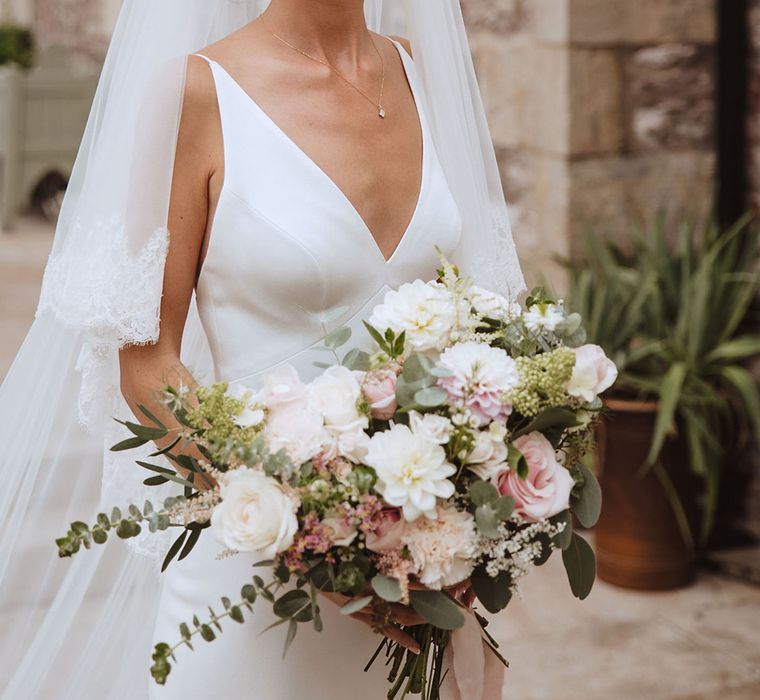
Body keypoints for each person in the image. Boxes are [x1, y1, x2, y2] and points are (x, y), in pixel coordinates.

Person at [0, 1, 524, 698]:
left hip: (414, 572)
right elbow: (147, 366)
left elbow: (473, 318)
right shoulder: (194, 92)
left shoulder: (417, 70)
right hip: (252, 573)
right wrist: (319, 547)